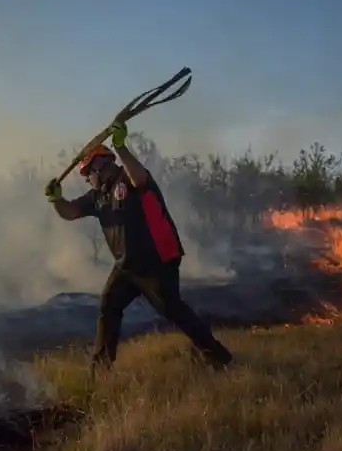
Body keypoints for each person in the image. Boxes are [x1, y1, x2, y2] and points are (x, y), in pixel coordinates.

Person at [44, 120, 233, 373]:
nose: (87, 179)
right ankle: (100, 369)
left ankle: (218, 357)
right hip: (126, 265)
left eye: (88, 173)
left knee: (173, 309)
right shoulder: (96, 196)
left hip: (156, 261)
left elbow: (140, 178)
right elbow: (69, 212)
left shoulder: (129, 177)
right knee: (109, 305)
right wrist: (56, 200)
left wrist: (121, 146)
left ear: (100, 165)